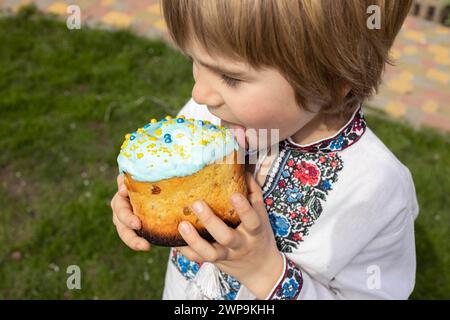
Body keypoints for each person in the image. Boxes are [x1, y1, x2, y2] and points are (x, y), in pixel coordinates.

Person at [110, 0, 419, 299]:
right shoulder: (205, 117)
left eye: (231, 77)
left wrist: (262, 271)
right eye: (194, 60)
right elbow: (166, 191)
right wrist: (139, 207)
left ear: (332, 81)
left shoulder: (377, 190)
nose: (199, 93)